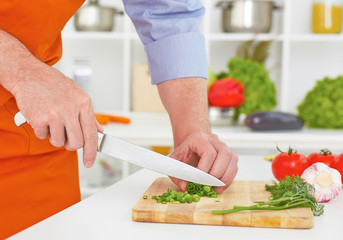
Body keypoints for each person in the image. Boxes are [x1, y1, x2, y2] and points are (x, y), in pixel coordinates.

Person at [0, 0, 238, 238]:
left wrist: (192, 131)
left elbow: (167, 12)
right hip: (30, 100)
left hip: (34, 136)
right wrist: (24, 72)